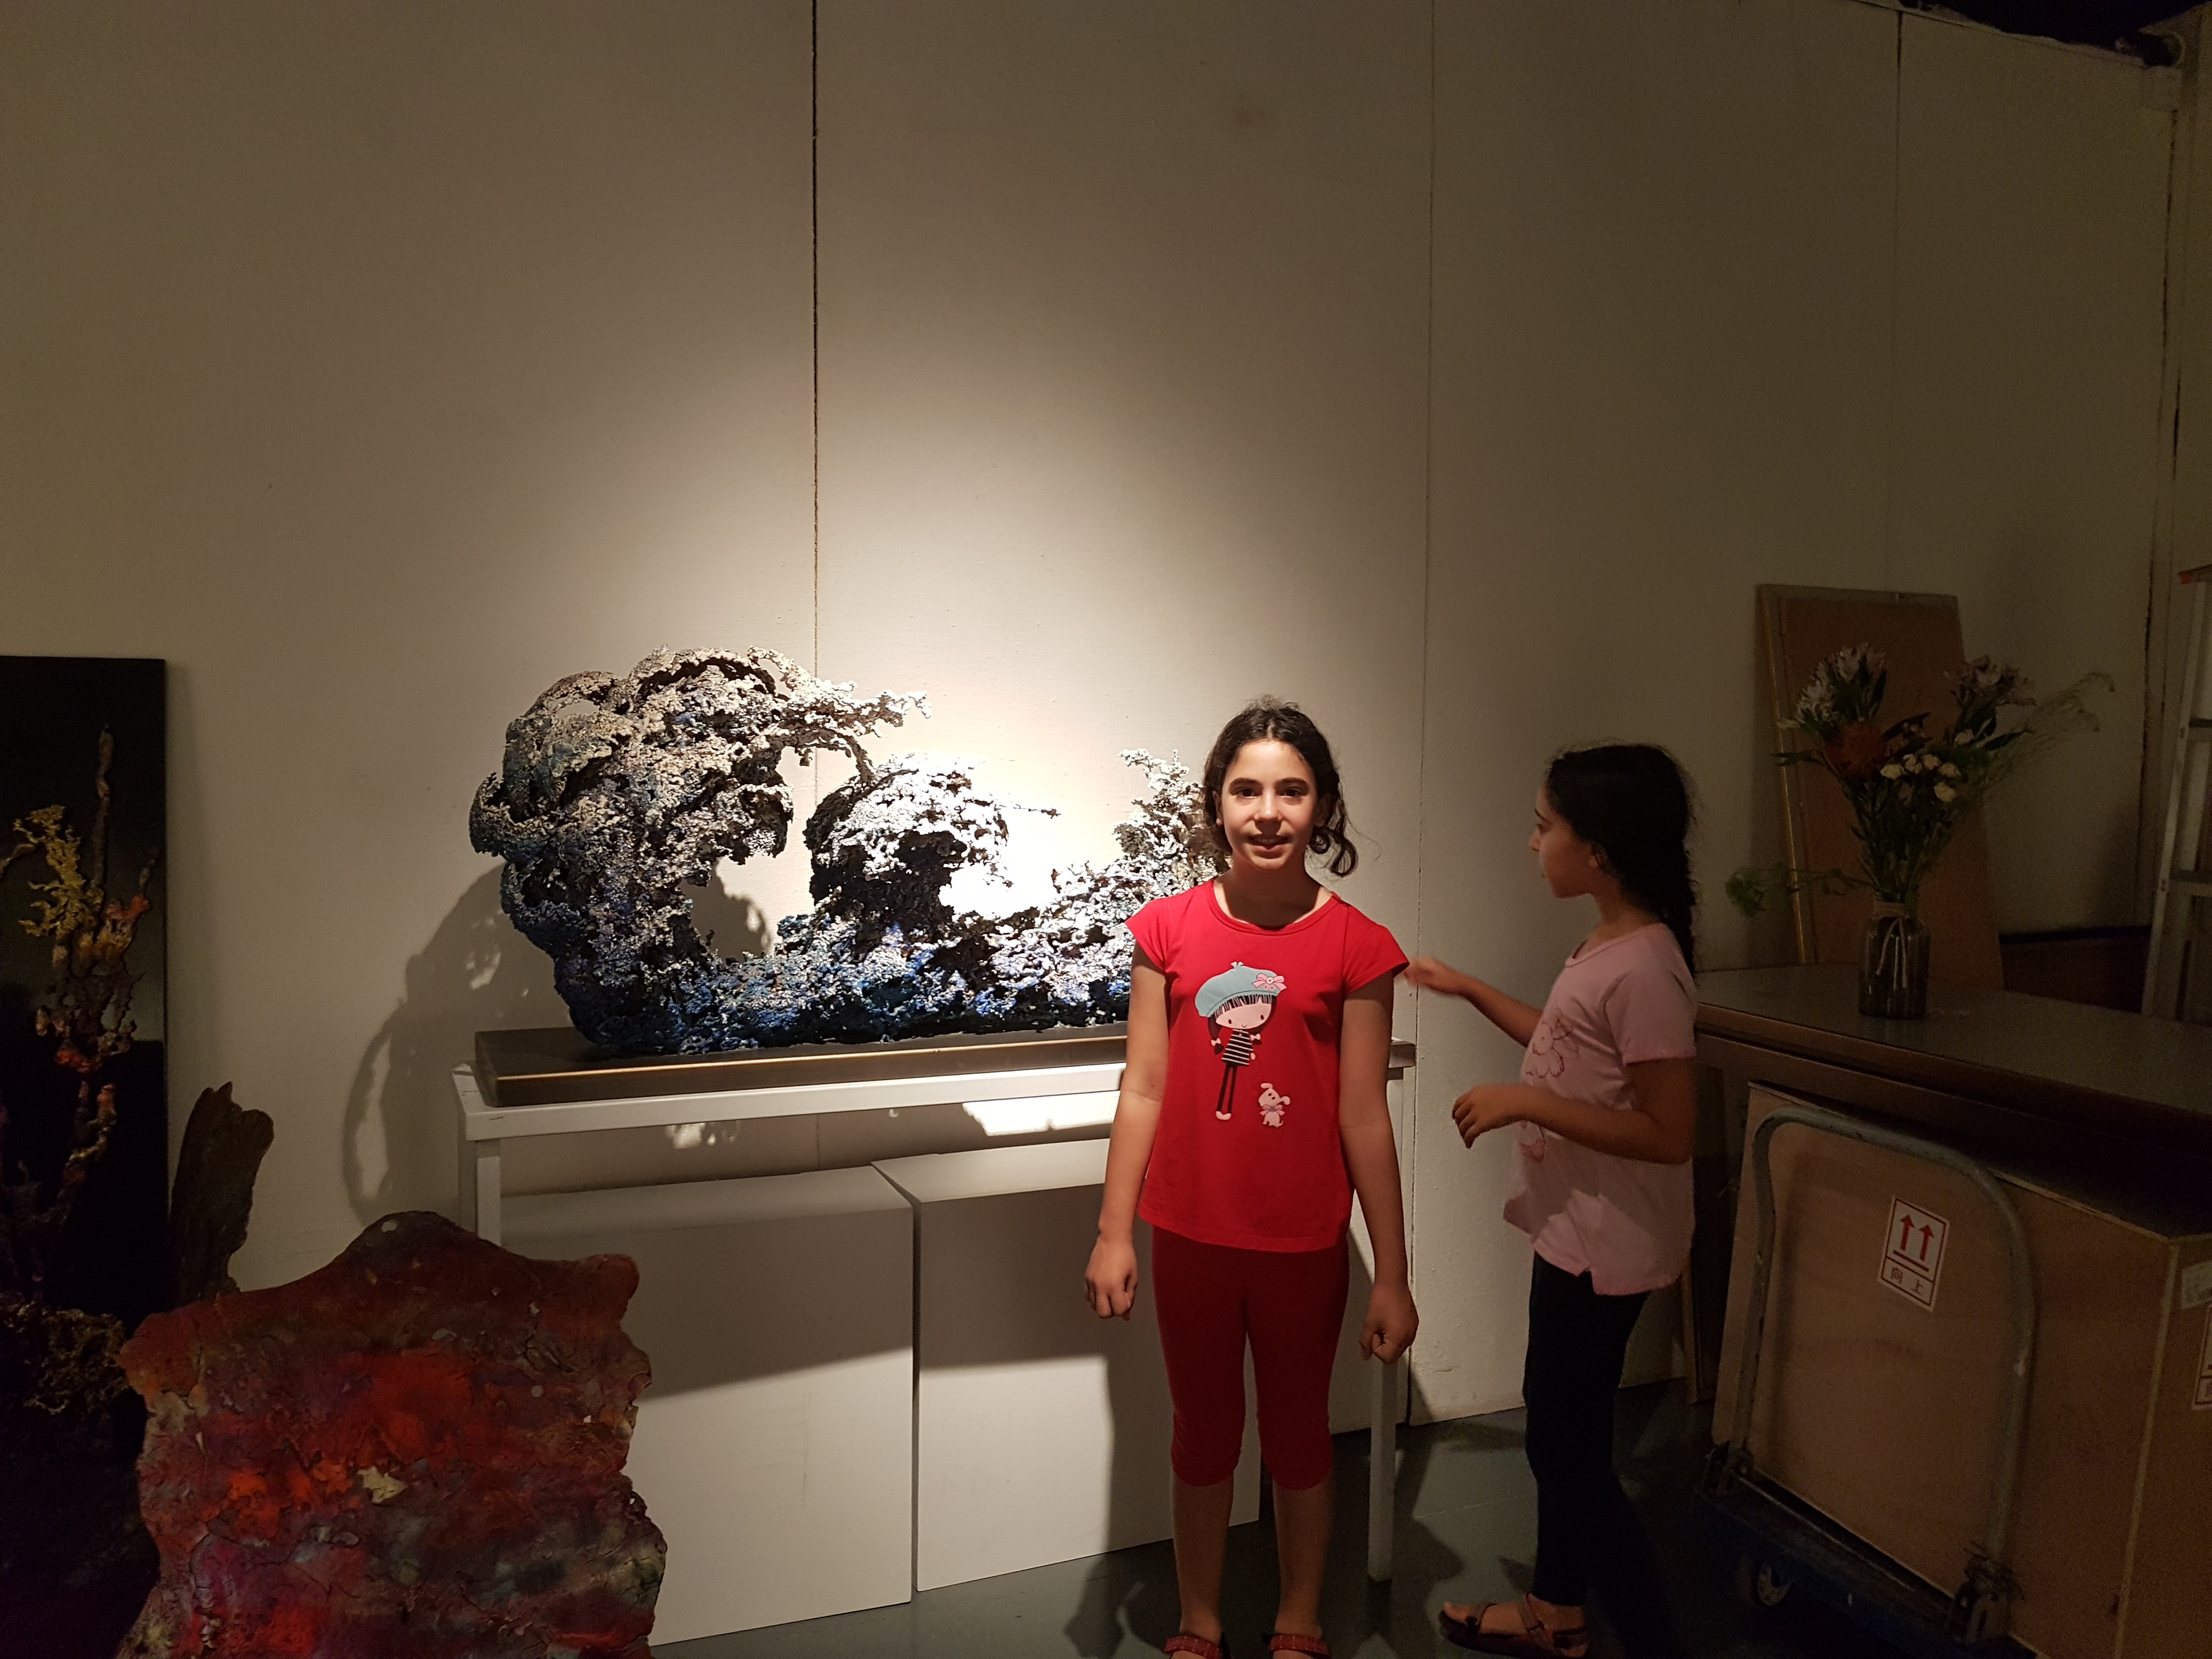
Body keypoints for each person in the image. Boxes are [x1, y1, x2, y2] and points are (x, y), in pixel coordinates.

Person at [1085, 698, 1418, 1659]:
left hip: (1302, 1242)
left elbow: (1364, 1115)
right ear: (1217, 806)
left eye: (1292, 791)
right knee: (1202, 1434)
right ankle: (1200, 1618)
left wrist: (1393, 1273)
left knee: (1300, 1435)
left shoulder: (1359, 946)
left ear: (1323, 808)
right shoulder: (1167, 931)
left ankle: (1299, 1616)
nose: (1268, 812)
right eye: (1247, 791)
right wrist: (1114, 1231)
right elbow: (1143, 1087)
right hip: (1189, 1235)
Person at [1410, 744, 1697, 1659]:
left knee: (1567, 1450)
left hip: (1607, 1245)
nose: (1532, 843)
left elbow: (1669, 1131)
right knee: (1563, 1431)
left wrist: (1523, 1103)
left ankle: (1647, 1638)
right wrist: (1468, 990)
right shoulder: (1611, 944)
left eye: (1545, 826)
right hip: (1577, 1230)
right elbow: (1569, 1046)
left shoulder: (1645, 966)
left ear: (1598, 849)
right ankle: (1559, 1610)